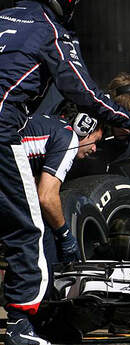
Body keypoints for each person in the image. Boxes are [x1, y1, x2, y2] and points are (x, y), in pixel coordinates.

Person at [0, 0, 130, 345]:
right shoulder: (51, 31)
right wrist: (129, 118)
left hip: (11, 126)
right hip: (2, 131)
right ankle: (20, 323)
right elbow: (82, 91)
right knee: (28, 229)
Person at [20, 109, 102, 268]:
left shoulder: (50, 125)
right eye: (95, 141)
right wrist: (65, 236)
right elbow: (46, 197)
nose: (94, 149)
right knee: (45, 241)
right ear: (83, 129)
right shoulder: (68, 138)